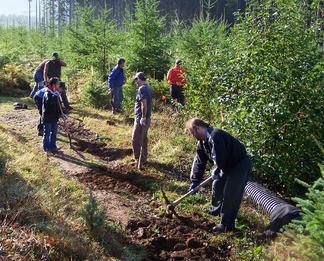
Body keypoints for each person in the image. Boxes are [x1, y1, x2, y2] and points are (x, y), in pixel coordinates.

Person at [186, 118, 251, 233]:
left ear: (199, 128)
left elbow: (219, 157)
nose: (192, 135)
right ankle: (215, 209)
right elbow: (199, 162)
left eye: (192, 132)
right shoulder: (202, 143)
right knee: (217, 185)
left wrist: (216, 170)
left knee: (231, 194)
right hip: (226, 165)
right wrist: (195, 180)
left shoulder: (215, 135)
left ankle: (226, 225)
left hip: (239, 165)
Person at [132, 72, 152, 170]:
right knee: (143, 138)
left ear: (139, 79)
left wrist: (142, 117)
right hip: (146, 118)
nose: (136, 82)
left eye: (136, 80)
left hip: (141, 118)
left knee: (136, 139)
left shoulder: (142, 89)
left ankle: (138, 159)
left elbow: (144, 104)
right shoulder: (148, 87)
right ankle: (143, 159)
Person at [41, 77, 67, 156]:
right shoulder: (47, 93)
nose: (59, 85)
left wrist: (61, 114)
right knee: (47, 133)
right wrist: (55, 97)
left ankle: (53, 147)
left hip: (54, 118)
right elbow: (50, 105)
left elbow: (58, 107)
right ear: (54, 84)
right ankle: (46, 149)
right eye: (58, 84)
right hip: (48, 117)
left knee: (54, 133)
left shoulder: (55, 93)